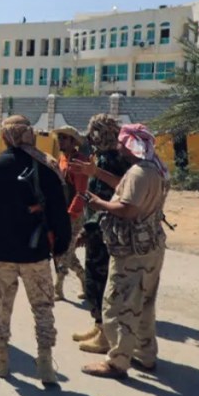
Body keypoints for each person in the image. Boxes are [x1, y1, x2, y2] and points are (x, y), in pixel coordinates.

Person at [0, 115, 70, 384]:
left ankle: (1, 360)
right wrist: (61, 244)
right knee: (43, 307)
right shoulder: (46, 166)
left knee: (0, 307)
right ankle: (45, 363)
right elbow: (60, 210)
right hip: (35, 253)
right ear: (29, 134)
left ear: (5, 137)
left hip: (0, 254)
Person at [80, 123, 170, 379]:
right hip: (150, 246)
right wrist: (97, 173)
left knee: (117, 305)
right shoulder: (155, 169)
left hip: (132, 250)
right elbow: (127, 189)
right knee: (144, 303)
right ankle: (145, 354)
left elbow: (128, 209)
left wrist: (100, 204)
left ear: (132, 144)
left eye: (122, 142)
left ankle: (117, 362)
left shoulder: (139, 173)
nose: (118, 147)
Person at [68, 114, 133, 354]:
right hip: (96, 227)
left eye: (95, 131)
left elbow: (122, 187)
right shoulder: (103, 157)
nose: (91, 137)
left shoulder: (116, 159)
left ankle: (106, 335)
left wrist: (95, 172)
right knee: (94, 279)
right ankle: (99, 326)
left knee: (101, 281)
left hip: (108, 229)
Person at [50, 125, 88, 301]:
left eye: (64, 138)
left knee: (64, 252)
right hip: (63, 213)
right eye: (60, 138)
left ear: (73, 142)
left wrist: (71, 214)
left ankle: (58, 288)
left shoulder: (79, 162)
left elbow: (81, 193)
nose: (60, 141)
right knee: (67, 253)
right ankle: (85, 279)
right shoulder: (62, 159)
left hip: (74, 215)